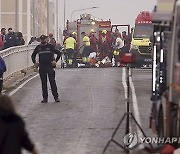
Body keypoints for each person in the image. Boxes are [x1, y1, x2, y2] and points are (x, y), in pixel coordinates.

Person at [31, 35, 61, 103]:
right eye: (41, 39)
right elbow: (33, 55)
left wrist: (55, 61)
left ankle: (56, 97)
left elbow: (59, 53)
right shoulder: (38, 47)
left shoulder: (50, 47)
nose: (42, 41)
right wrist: (35, 62)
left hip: (50, 66)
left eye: (44, 39)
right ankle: (45, 98)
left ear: (46, 39)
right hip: (42, 67)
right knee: (43, 83)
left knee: (52, 82)